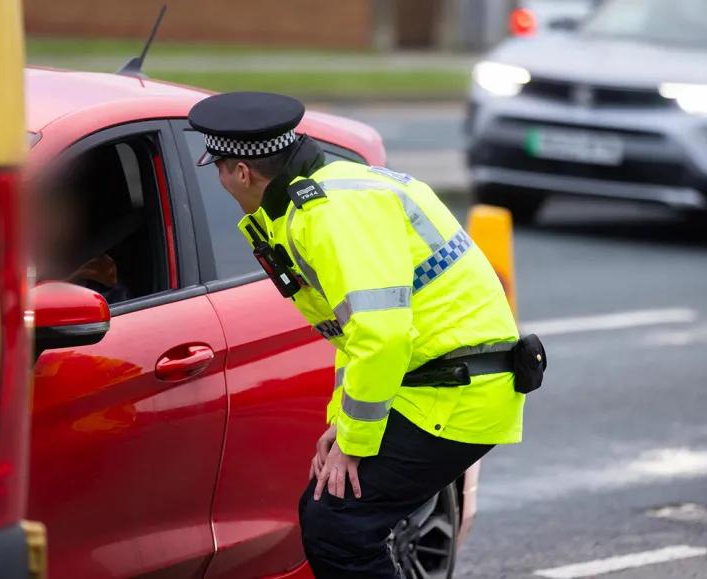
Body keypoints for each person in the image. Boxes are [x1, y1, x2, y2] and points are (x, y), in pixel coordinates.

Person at [188, 92, 545, 579]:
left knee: (339, 524)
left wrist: (355, 441)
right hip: (437, 383)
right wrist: (342, 423)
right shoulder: (325, 196)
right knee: (335, 514)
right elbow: (354, 336)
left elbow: (382, 335)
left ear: (242, 172)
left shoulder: (331, 215)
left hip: (454, 392)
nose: (221, 180)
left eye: (219, 168)